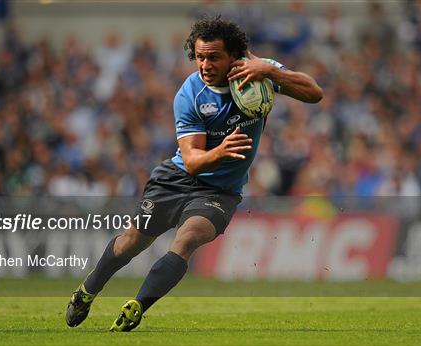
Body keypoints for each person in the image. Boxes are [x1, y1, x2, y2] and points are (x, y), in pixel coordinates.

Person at [65, 15, 323, 332]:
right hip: (176, 179)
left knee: (187, 240)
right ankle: (88, 290)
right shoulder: (191, 94)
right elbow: (192, 161)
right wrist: (222, 150)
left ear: (235, 56)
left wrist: (269, 71)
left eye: (213, 57)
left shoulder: (258, 73)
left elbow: (314, 93)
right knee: (131, 242)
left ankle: (137, 307)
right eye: (200, 57)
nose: (204, 64)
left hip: (220, 191)